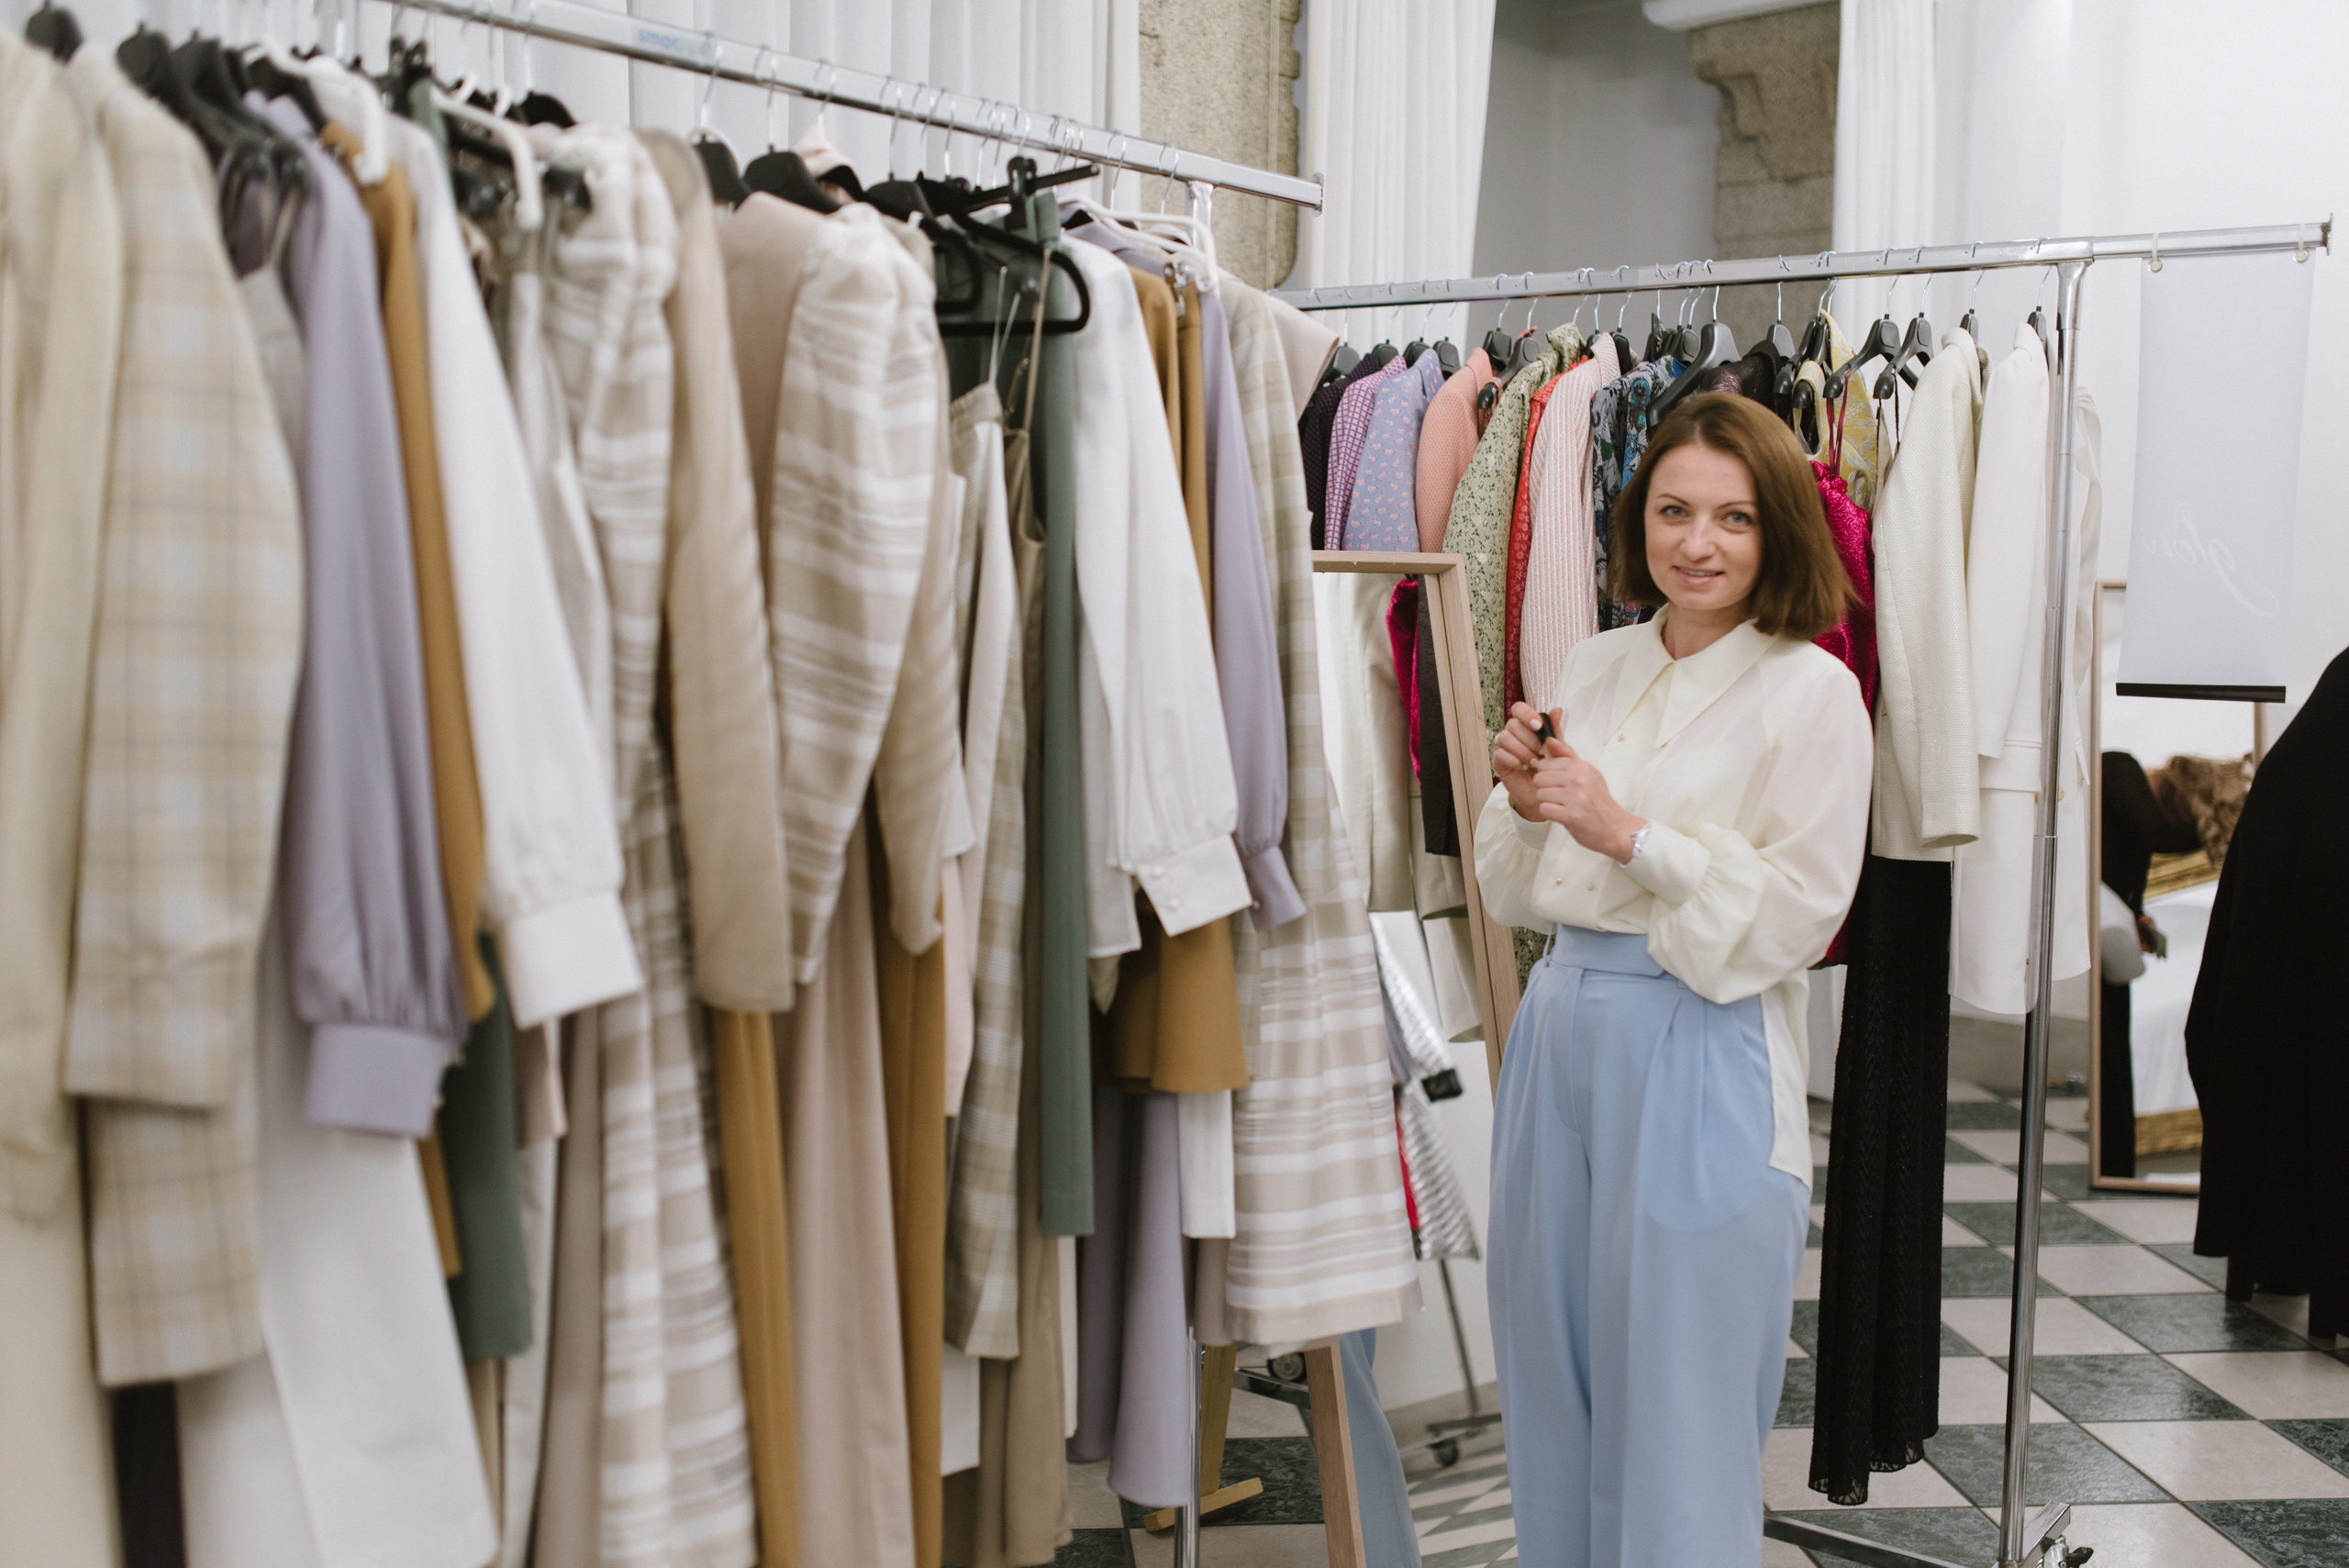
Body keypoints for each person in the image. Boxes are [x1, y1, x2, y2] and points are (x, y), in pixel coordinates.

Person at [1475, 393, 1873, 1566]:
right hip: (1557, 1029)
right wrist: (1515, 790)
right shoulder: (1592, 662)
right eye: (1673, 510)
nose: (1697, 542)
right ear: (1635, 518)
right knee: (1550, 1371)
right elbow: (1512, 887)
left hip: (1701, 1035)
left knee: (1681, 1398)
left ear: (1780, 529)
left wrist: (1625, 831)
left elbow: (1798, 913)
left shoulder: (1812, 691)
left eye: (1734, 517)